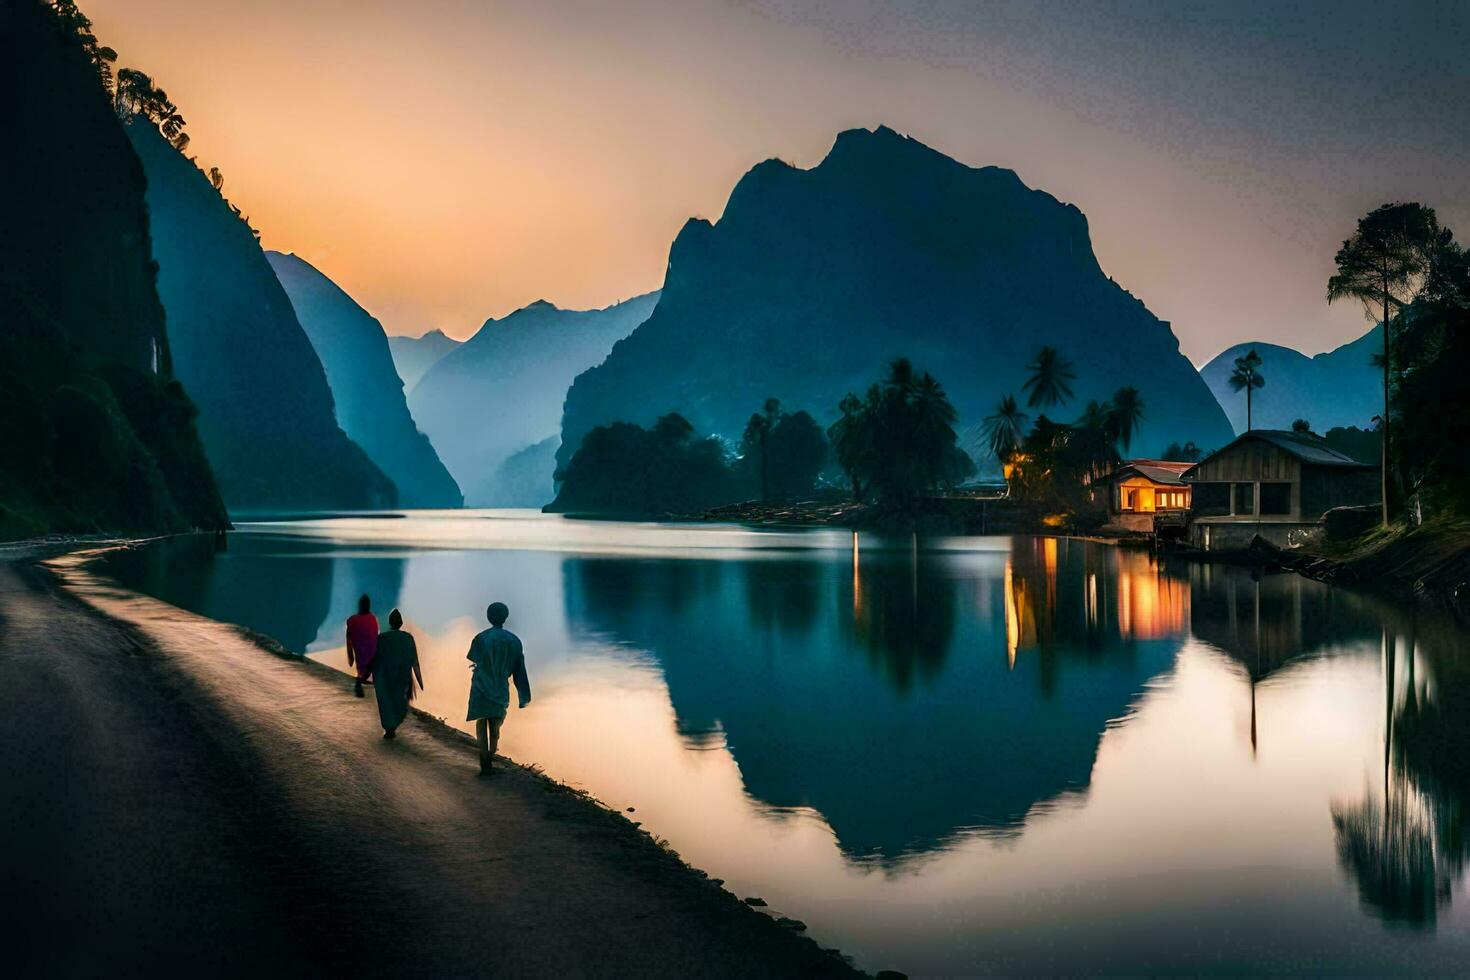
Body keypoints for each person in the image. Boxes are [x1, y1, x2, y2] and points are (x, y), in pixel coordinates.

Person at [466, 601, 531, 777]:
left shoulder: (481, 638)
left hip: (481, 686)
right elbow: (520, 671)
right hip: (500, 688)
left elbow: (474, 658)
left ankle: (484, 758)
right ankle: (491, 753)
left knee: (481, 721)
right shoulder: (514, 641)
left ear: (488, 617)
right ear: (505, 617)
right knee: (495, 724)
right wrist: (524, 697)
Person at [370, 609, 423, 739]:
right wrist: (420, 680)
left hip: (384, 677)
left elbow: (374, 659)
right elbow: (415, 661)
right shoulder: (408, 638)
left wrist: (367, 675)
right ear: (400, 622)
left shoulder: (381, 638)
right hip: (402, 677)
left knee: (386, 701)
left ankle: (389, 728)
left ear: (390, 622)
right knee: (399, 701)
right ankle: (392, 727)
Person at [345, 594, 378, 698]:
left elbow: (349, 640)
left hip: (362, 658)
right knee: (369, 668)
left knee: (364, 670)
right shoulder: (372, 619)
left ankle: (361, 679)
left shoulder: (352, 620)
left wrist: (350, 657)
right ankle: (362, 679)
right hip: (372, 658)